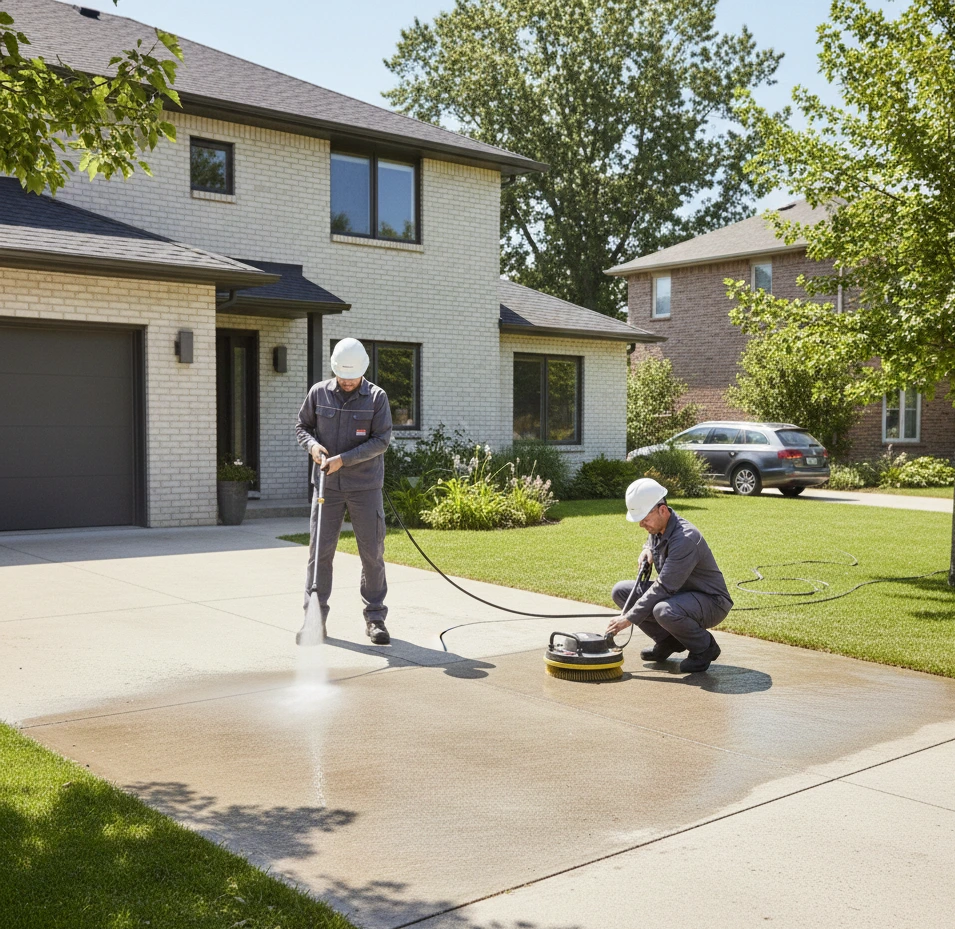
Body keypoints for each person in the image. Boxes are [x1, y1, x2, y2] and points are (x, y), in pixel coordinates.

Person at [295, 338, 393, 644]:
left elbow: (381, 440)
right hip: (327, 487)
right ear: (334, 370)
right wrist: (313, 446)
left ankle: (375, 618)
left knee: (372, 553)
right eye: (342, 376)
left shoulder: (376, 397)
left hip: (365, 486)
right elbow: (302, 427)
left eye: (352, 377)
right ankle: (315, 619)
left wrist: (343, 460)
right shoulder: (318, 393)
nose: (347, 382)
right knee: (319, 553)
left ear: (363, 370)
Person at [606, 477, 733, 672]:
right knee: (621, 591)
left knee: (663, 610)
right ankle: (669, 641)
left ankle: (705, 647)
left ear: (662, 510)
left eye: (644, 519)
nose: (641, 525)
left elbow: (664, 587)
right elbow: (653, 540)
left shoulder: (685, 538)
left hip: (711, 601)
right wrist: (648, 548)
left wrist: (628, 618)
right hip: (680, 594)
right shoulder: (659, 526)